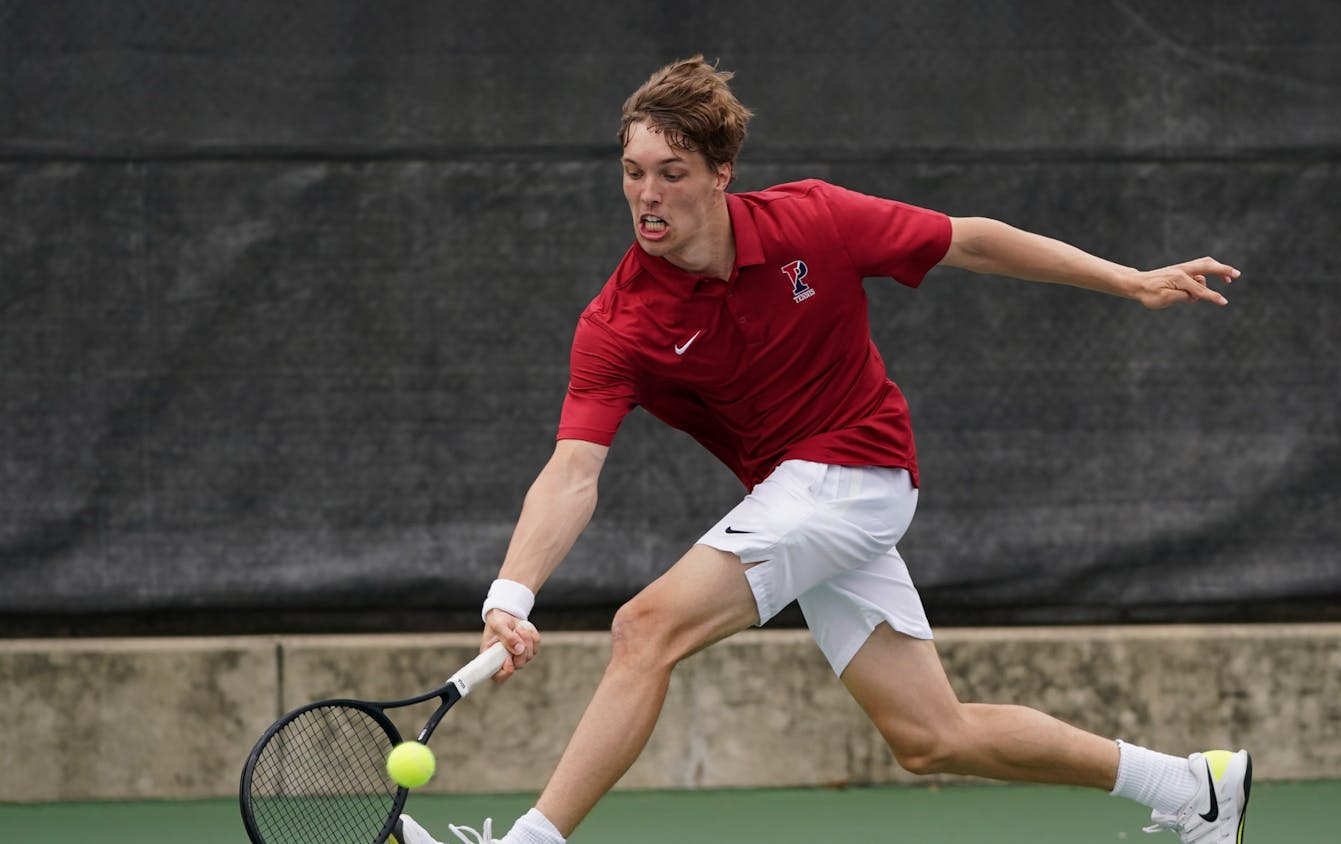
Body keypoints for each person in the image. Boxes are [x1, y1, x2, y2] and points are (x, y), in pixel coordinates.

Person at [398, 55, 1250, 844]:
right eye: (631, 172)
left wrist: (1128, 279)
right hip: (798, 496)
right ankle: (1190, 788)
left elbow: (972, 239)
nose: (647, 196)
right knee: (930, 736)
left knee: (641, 629)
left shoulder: (815, 220)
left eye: (671, 173)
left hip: (860, 470)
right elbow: (573, 470)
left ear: (720, 174)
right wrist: (512, 592)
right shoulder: (618, 321)